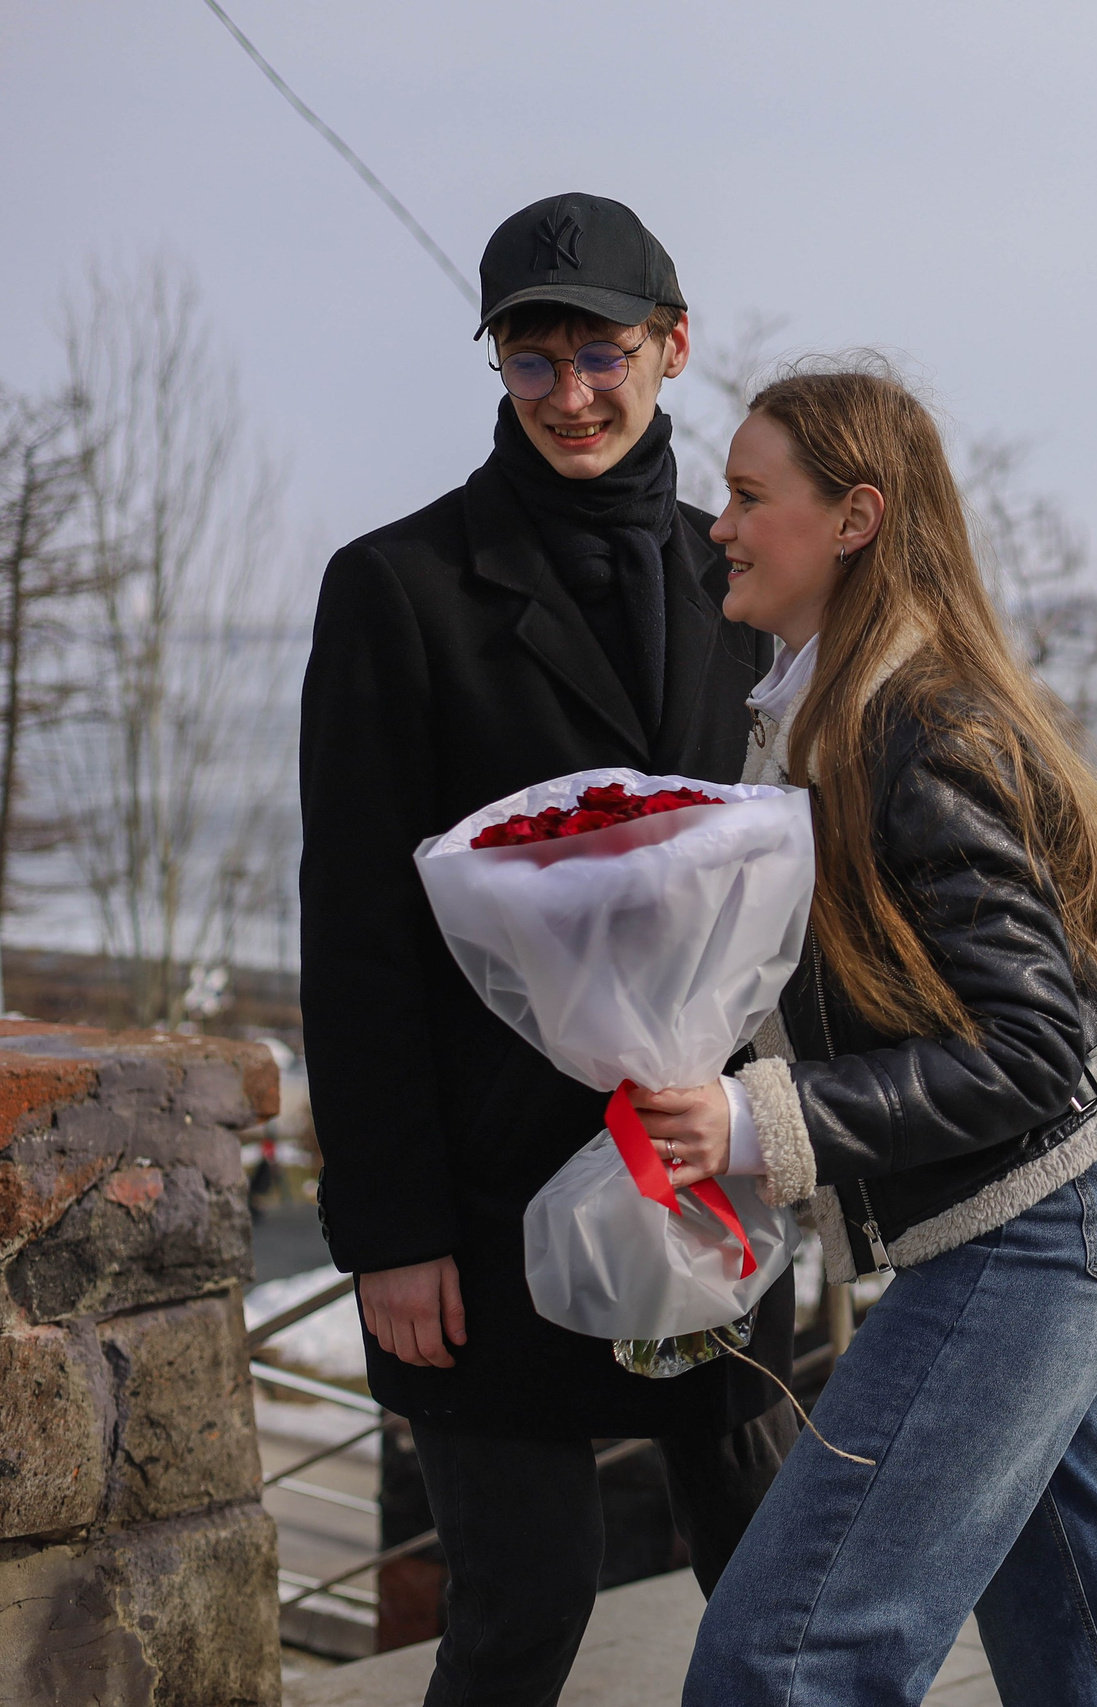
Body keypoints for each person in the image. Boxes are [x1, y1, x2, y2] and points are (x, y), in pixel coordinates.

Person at [627, 363, 1097, 1705]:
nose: (720, 525)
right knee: (1094, 1660)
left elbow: (1029, 1049)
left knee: (785, 1659)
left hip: (1037, 1233)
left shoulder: (913, 725)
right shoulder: (828, 710)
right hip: (1038, 1220)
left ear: (855, 519)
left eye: (748, 496)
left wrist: (752, 1125)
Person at [299, 192, 795, 1706]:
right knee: (526, 1610)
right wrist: (390, 1232)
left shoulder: (744, 579)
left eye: (600, 354)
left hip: (704, 1172)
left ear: (673, 346)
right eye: (532, 359)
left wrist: (806, 1137)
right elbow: (356, 936)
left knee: (781, 1588)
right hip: (484, 1198)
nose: (570, 394)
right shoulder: (398, 588)